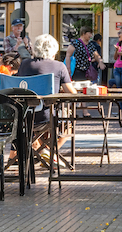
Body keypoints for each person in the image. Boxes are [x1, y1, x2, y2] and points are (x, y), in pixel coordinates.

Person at [17, 34, 77, 167]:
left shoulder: (25, 64)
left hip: (25, 116)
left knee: (35, 128)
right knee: (69, 125)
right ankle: (49, 152)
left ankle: (42, 152)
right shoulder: (59, 66)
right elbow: (71, 93)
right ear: (54, 50)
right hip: (47, 115)